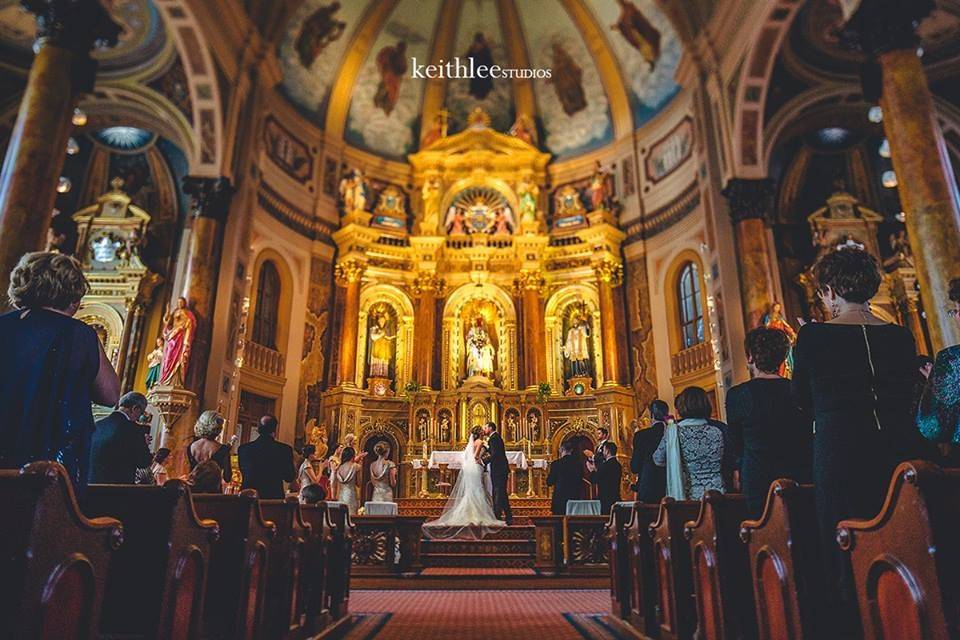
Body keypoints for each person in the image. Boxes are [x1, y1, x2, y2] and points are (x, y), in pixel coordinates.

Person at [792, 247, 928, 633]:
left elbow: (800, 401)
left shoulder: (812, 336)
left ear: (831, 290)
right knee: (903, 543)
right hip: (900, 450)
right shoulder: (900, 337)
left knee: (844, 545)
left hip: (840, 451)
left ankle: (853, 625)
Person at [0, 252, 120, 487]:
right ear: (73, 295)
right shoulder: (77, 334)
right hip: (50, 454)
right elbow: (110, 395)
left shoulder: (4, 325)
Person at [726, 327, 812, 517]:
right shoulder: (798, 391)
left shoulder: (738, 395)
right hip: (801, 474)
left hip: (758, 477)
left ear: (750, 357)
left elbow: (736, 443)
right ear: (783, 357)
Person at [423, 426, 505, 539]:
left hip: (469, 468)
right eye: (482, 430)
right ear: (480, 433)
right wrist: (481, 461)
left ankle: (467, 512)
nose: (484, 432)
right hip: (476, 467)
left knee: (471, 490)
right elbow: (476, 456)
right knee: (477, 489)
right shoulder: (480, 442)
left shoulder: (472, 443)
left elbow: (468, 456)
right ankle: (477, 514)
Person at [653, 387, 725, 500]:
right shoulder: (717, 431)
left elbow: (658, 459)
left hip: (690, 496)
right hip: (717, 494)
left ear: (682, 406)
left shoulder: (675, 432)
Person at [918, 277, 960, 462]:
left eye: (957, 310)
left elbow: (932, 426)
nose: (956, 317)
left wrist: (933, 384)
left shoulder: (952, 360)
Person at [88, 391, 154, 484]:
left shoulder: (97, 425)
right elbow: (143, 462)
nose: (139, 417)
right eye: (141, 413)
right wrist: (144, 444)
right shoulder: (134, 429)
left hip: (91, 486)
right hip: (117, 491)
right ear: (135, 409)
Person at [237, 415, 295, 499]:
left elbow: (244, 471)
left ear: (258, 428)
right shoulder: (285, 450)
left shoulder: (243, 449)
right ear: (275, 429)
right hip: (273, 499)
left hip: (248, 498)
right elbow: (289, 477)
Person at [631, 401, 668, 503]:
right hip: (671, 487)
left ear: (651, 415)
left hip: (648, 488)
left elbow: (635, 467)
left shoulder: (641, 436)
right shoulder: (672, 432)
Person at [188, 410, 232, 482]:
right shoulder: (223, 449)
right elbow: (227, 477)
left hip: (194, 489)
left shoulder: (191, 446)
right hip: (213, 490)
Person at [482, 421, 512, 525]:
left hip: (499, 470)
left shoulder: (494, 439)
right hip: (500, 469)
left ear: (490, 428)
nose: (484, 430)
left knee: (498, 492)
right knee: (501, 493)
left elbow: (494, 454)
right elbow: (493, 452)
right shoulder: (495, 438)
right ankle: (507, 516)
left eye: (485, 428)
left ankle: (497, 515)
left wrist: (483, 461)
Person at [546, 441, 582, 515]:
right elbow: (580, 481)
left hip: (560, 498)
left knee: (559, 523)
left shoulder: (556, 464)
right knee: (574, 523)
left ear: (561, 450)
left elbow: (549, 482)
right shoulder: (578, 464)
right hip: (574, 498)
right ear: (571, 450)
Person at [589, 442, 622, 514]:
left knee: (606, 521)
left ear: (607, 451)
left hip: (606, 500)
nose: (603, 452)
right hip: (615, 497)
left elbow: (594, 480)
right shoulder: (618, 465)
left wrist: (591, 470)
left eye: (604, 450)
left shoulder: (605, 466)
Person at [333, 447, 361, 515]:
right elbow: (358, 483)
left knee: (342, 516)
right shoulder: (356, 467)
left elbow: (335, 483)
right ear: (352, 455)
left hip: (341, 495)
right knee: (352, 517)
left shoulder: (338, 468)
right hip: (351, 495)